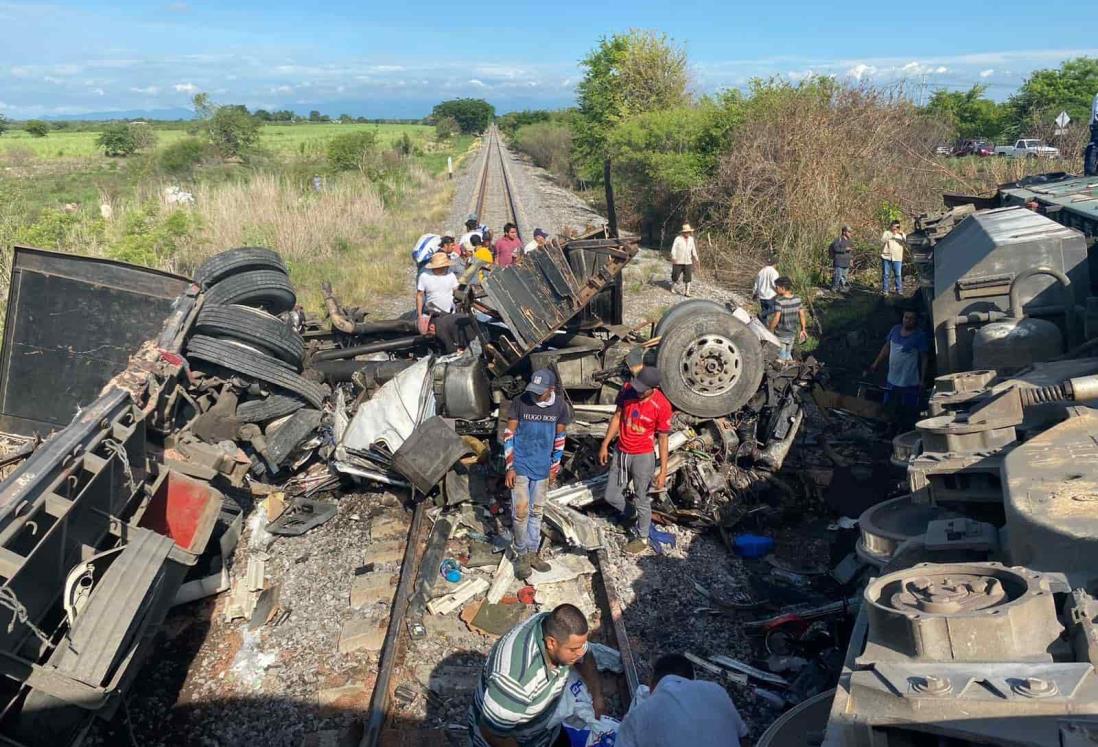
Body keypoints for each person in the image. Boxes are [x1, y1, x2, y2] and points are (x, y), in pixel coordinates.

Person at [470, 603, 605, 747]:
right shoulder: (516, 681)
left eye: (581, 646)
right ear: (551, 643)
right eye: (573, 649)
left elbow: (585, 652)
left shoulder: (556, 628)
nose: (580, 653)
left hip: (544, 730)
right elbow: (493, 733)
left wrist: (597, 696)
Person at [504, 369, 571, 579]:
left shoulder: (559, 406)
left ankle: (533, 552)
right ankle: (521, 553)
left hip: (542, 468)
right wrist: (509, 466)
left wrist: (555, 466)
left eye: (540, 391)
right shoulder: (520, 402)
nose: (535, 394)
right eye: (534, 389)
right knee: (520, 512)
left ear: (551, 389)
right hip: (521, 465)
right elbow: (509, 434)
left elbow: (560, 437)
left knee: (536, 512)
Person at [598, 366, 671, 555]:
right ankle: (633, 515)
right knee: (611, 496)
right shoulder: (627, 390)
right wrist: (605, 444)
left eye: (642, 389)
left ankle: (643, 537)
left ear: (653, 388)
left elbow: (663, 440)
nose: (637, 391)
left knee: (642, 498)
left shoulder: (662, 405)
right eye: (636, 386)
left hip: (643, 457)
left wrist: (662, 471)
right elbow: (617, 417)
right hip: (621, 452)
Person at [616, 654, 749, 747]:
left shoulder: (636, 717)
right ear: (692, 679)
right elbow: (743, 737)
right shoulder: (716, 691)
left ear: (652, 683)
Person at [868, 309, 928, 423]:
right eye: (906, 317)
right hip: (892, 378)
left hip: (909, 381)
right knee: (888, 407)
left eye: (911, 318)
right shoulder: (895, 330)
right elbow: (886, 348)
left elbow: (924, 358)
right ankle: (886, 428)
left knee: (908, 410)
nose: (908, 321)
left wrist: (922, 379)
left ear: (915, 321)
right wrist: (876, 363)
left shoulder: (919, 336)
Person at [416, 252, 459, 333]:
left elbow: (456, 291)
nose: (447, 267)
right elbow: (420, 295)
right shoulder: (425, 276)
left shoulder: (451, 275)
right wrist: (420, 315)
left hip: (449, 313)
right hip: (431, 314)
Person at [768, 276, 807, 362]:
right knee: (788, 354)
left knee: (781, 356)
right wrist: (803, 329)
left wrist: (770, 330)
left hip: (781, 334)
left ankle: (784, 371)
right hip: (792, 334)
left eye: (777, 287)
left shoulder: (779, 301)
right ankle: (791, 369)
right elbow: (802, 315)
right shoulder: (797, 299)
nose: (776, 289)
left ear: (782, 288)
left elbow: (776, 318)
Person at [669, 223, 699, 296]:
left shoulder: (691, 239)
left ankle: (687, 292)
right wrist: (673, 257)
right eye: (686, 232)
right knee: (675, 275)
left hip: (688, 261)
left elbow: (693, 249)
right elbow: (674, 249)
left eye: (688, 232)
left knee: (688, 277)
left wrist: (696, 258)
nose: (687, 233)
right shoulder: (678, 239)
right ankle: (672, 288)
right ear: (683, 232)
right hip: (678, 261)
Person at [880, 220, 907, 295]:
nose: (896, 228)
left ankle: (899, 290)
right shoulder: (887, 233)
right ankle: (885, 290)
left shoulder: (901, 235)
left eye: (898, 226)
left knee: (898, 274)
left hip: (897, 258)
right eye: (895, 226)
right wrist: (892, 235)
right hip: (886, 257)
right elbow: (882, 240)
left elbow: (906, 241)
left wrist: (901, 233)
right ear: (891, 226)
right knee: (886, 274)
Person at [829, 225, 854, 293]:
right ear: (844, 232)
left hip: (846, 262)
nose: (850, 233)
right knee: (837, 276)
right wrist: (845, 249)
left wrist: (851, 260)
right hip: (839, 261)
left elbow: (851, 252)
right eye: (849, 232)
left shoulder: (850, 241)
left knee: (844, 277)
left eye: (851, 232)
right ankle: (834, 288)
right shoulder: (838, 240)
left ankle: (841, 288)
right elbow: (835, 248)